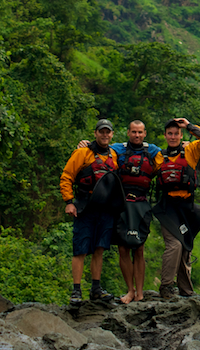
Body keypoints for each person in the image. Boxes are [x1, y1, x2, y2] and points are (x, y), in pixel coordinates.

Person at [60, 119, 120, 304]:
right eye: (101, 132)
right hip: (85, 206)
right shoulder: (82, 153)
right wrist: (69, 202)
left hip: (105, 208)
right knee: (81, 249)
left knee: (99, 248)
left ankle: (96, 289)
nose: (104, 135)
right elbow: (67, 176)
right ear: (95, 133)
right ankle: (76, 291)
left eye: (107, 132)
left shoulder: (114, 155)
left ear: (111, 135)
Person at [154, 117, 200, 299]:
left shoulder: (191, 150)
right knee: (175, 244)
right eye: (169, 134)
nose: (173, 137)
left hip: (186, 208)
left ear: (181, 135)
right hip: (167, 207)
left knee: (186, 247)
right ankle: (166, 287)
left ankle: (186, 290)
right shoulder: (158, 156)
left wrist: (188, 126)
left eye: (176, 134)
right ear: (165, 136)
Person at [111, 121, 163, 304]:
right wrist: (85, 143)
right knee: (123, 247)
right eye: (133, 132)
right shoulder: (118, 149)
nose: (137, 135)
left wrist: (185, 147)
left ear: (145, 133)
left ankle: (140, 293)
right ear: (128, 132)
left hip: (142, 203)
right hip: (122, 203)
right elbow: (99, 150)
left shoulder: (153, 152)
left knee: (139, 247)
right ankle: (130, 291)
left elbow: (170, 158)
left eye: (140, 132)